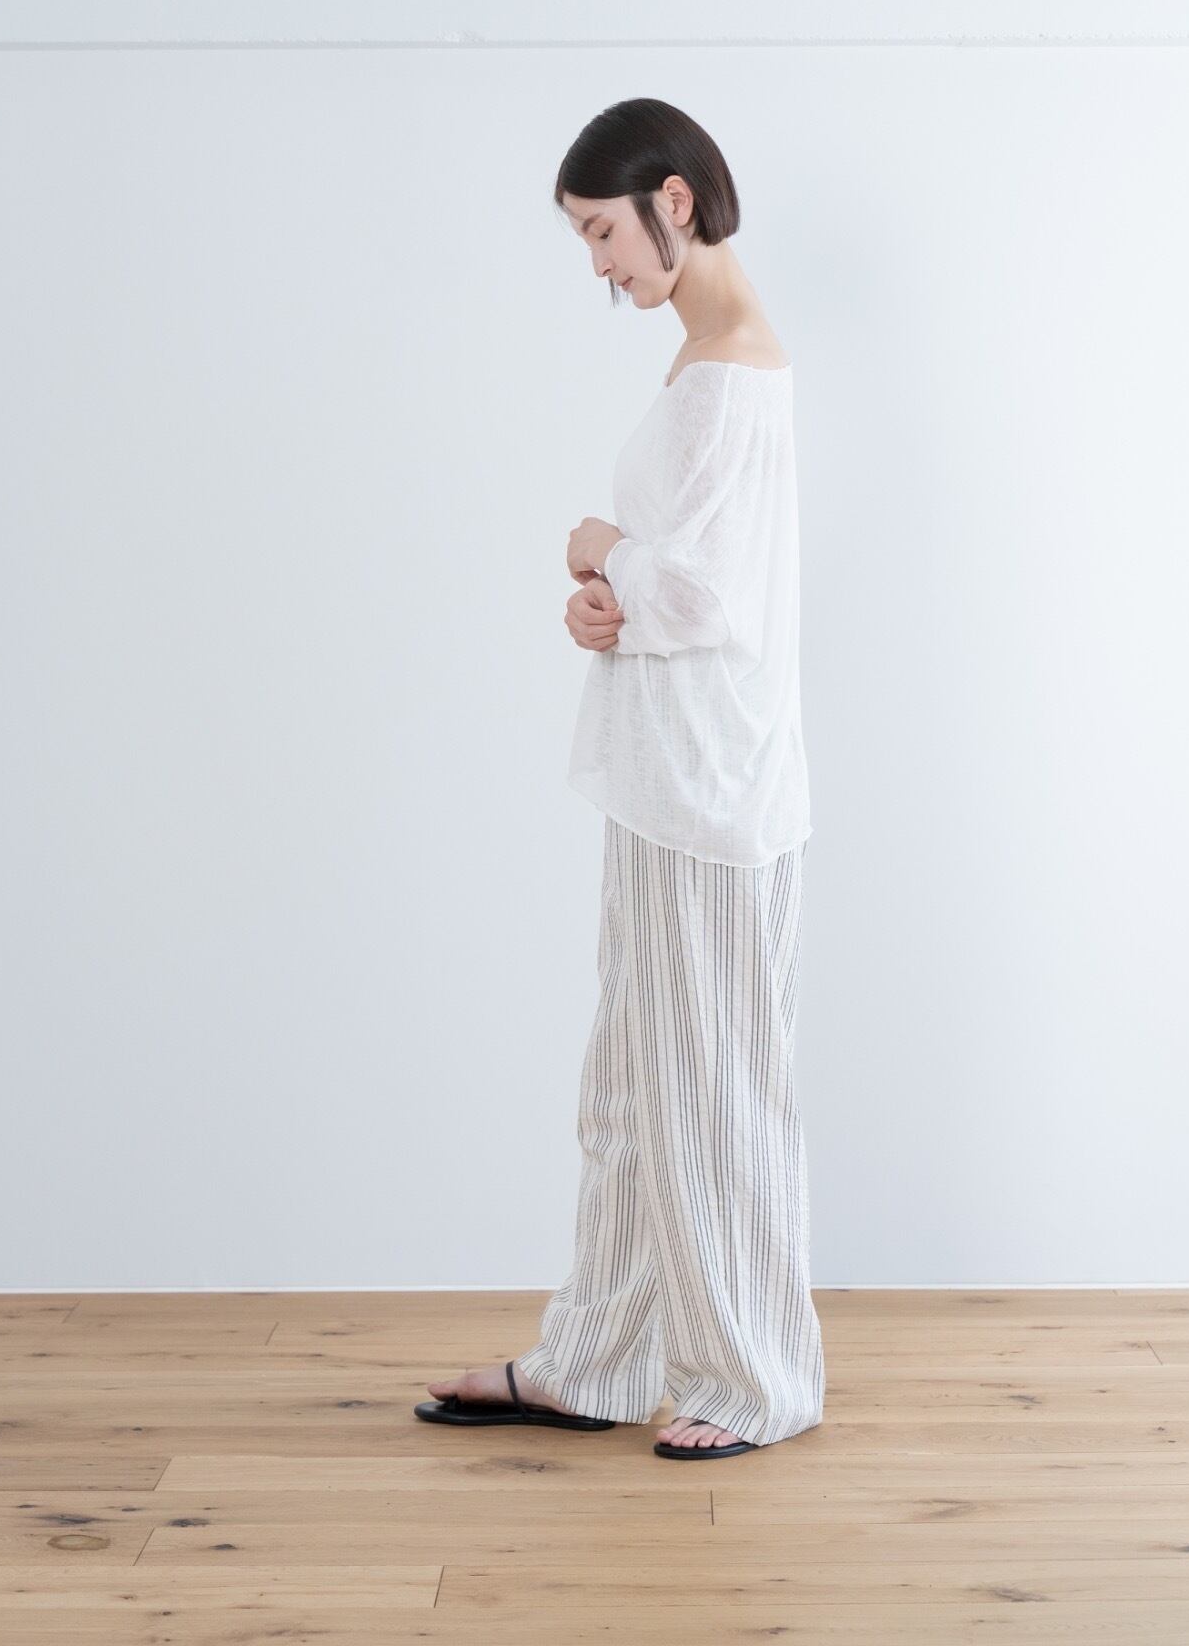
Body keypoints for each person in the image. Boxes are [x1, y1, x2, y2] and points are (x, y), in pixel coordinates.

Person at [416, 98, 823, 1460]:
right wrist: (606, 600)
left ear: (674, 202)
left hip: (711, 793)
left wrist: (600, 547)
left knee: (712, 1092)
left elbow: (703, 592)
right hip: (673, 779)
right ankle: (594, 1359)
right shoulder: (705, 363)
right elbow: (685, 587)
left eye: (602, 232)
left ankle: (758, 1382)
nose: (597, 263)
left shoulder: (730, 374)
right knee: (636, 1088)